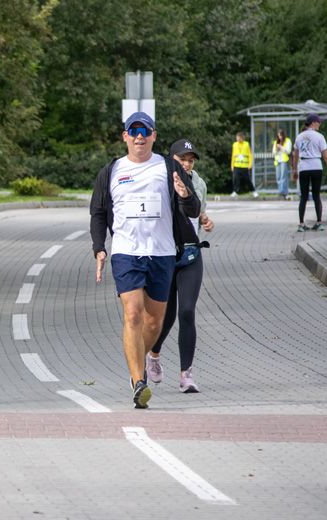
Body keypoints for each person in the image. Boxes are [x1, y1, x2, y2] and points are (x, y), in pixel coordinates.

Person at [90, 112, 200, 409]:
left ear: (154, 135)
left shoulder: (169, 167)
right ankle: (139, 381)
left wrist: (185, 193)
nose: (139, 136)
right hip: (126, 252)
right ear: (125, 136)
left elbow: (193, 208)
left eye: (145, 131)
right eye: (133, 130)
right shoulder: (111, 171)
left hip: (162, 253)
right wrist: (99, 247)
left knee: (154, 322)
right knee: (133, 314)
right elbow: (98, 212)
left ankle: (138, 361)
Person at [146, 139, 214, 394]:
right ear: (171, 159)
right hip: (163, 256)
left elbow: (199, 212)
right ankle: (154, 354)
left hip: (190, 256)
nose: (187, 163)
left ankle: (186, 374)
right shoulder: (156, 180)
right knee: (165, 316)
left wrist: (206, 220)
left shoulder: (198, 183)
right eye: (182, 159)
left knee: (187, 311)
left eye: (190, 159)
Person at [292, 114, 327, 232]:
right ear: (313, 123)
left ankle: (301, 224)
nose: (319, 124)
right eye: (318, 122)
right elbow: (325, 155)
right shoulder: (319, 136)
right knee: (316, 195)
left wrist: (295, 170)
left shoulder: (299, 137)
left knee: (304, 196)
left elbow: (295, 155)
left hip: (303, 168)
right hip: (316, 166)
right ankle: (319, 223)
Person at [230, 132, 259, 198]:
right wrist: (232, 165)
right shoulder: (234, 144)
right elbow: (233, 155)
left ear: (242, 138)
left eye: (238, 137)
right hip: (236, 165)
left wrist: (250, 164)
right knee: (235, 179)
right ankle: (235, 191)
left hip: (245, 166)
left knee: (247, 179)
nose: (237, 139)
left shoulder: (246, 144)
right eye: (236, 137)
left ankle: (253, 191)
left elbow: (250, 155)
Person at [273, 129, 292, 200]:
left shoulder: (288, 141)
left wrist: (281, 147)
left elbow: (288, 151)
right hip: (277, 160)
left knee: (283, 176)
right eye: (278, 136)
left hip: (284, 160)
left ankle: (283, 192)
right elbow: (273, 152)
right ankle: (280, 191)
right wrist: (277, 150)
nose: (279, 137)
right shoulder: (276, 142)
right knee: (278, 177)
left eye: (280, 135)